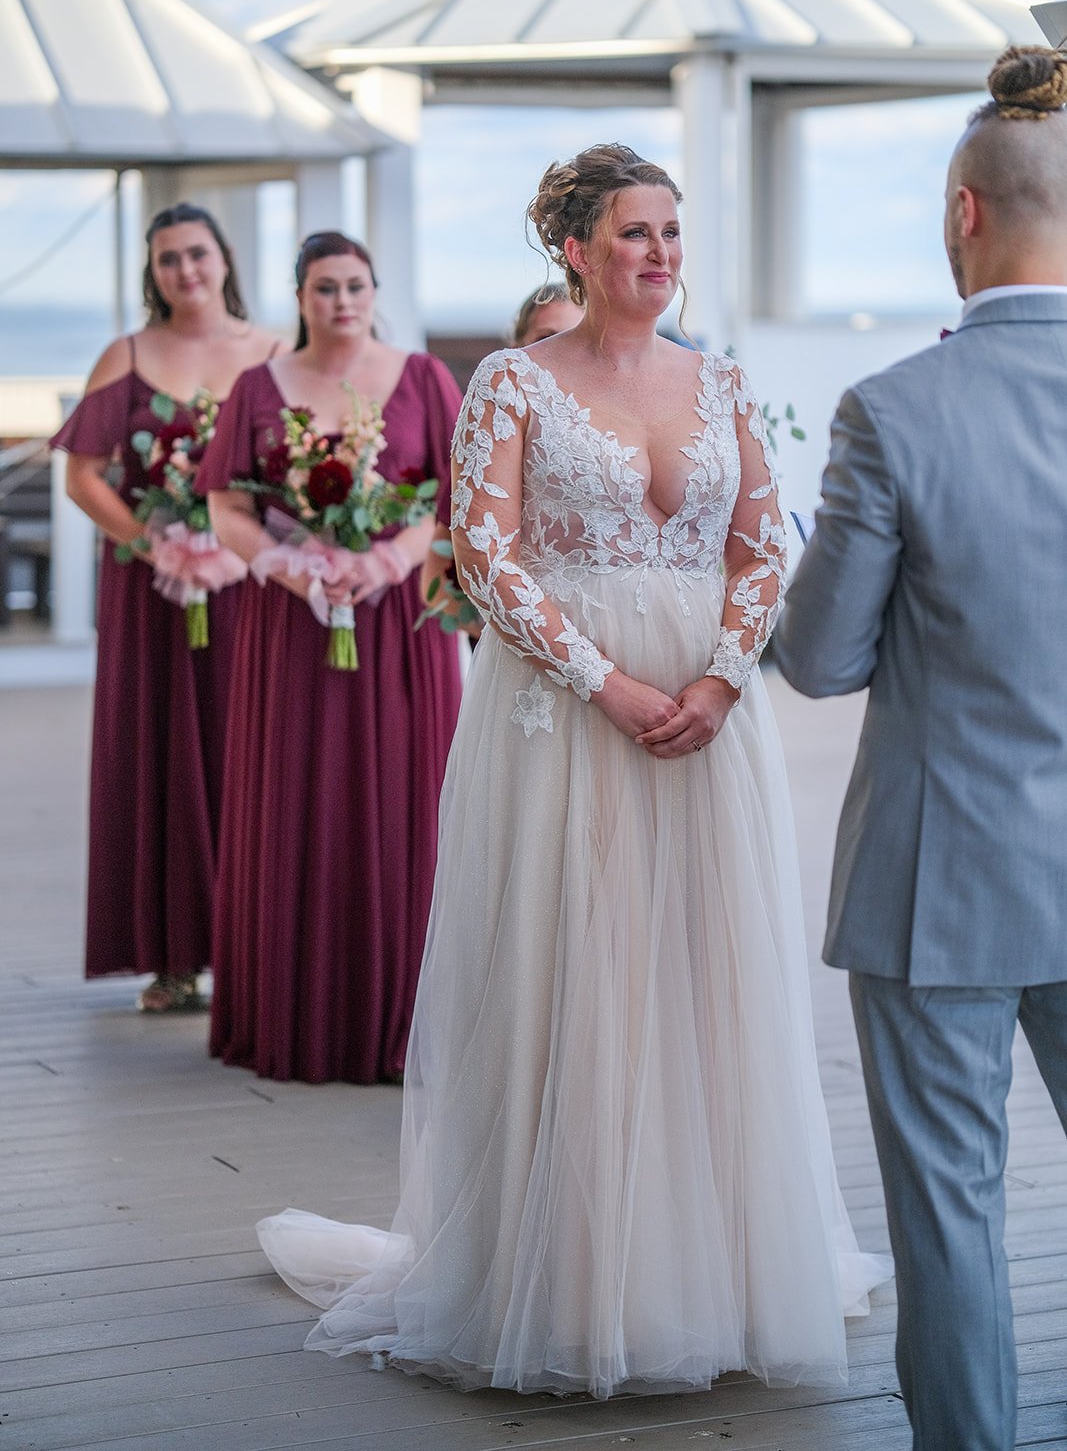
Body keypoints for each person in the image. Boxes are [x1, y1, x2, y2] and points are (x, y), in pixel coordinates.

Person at [256, 146, 890, 1393]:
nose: (658, 252)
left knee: (702, 977)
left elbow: (766, 543)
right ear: (576, 251)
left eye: (670, 231)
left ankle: (716, 1267)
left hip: (706, 717)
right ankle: (566, 1273)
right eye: (634, 233)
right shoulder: (511, 380)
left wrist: (718, 676)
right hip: (566, 712)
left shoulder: (720, 384)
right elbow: (487, 555)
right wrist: (608, 682)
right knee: (578, 971)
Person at [773, 45, 1067, 1451]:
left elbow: (820, 659)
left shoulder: (891, 409)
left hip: (936, 873)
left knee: (950, 1208)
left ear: (962, 212)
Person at [198, 231, 463, 1084]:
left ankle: (402, 1023)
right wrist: (284, 563)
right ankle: (292, 1013)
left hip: (398, 627)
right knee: (294, 800)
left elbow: (458, 501)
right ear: (299, 296)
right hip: (291, 628)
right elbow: (226, 505)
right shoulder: (256, 387)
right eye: (323, 288)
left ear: (375, 289)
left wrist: (385, 560)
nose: (341, 301)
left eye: (354, 285)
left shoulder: (425, 380)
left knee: (401, 803)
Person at [50, 203, 281, 1012]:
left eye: (197, 254)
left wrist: (239, 541)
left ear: (225, 260)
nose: (185, 271)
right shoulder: (128, 355)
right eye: (168, 260)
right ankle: (173, 956)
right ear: (153, 273)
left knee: (254, 753)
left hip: (252, 589)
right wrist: (155, 544)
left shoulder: (276, 353)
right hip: (152, 593)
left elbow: (299, 467)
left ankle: (255, 949)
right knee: (161, 753)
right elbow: (82, 475)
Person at [418, 282, 583, 624]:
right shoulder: (487, 447)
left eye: (574, 338)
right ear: (516, 349)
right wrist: (500, 635)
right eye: (546, 340)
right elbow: (433, 581)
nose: (562, 354)